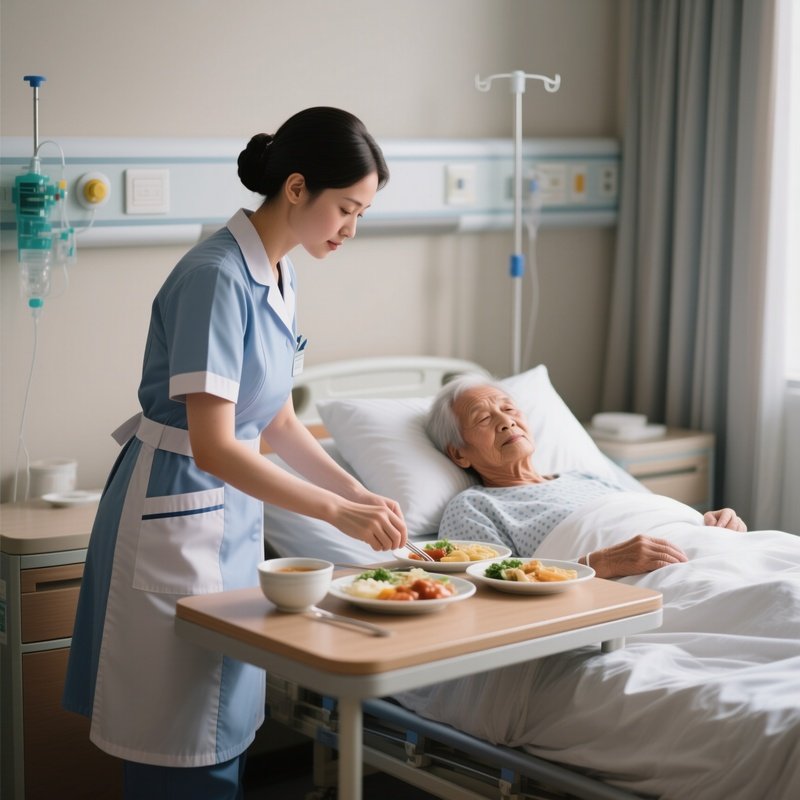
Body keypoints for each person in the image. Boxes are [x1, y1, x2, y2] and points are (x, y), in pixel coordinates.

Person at [62, 107, 407, 799]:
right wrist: (335, 512)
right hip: (177, 504)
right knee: (177, 740)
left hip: (225, 516)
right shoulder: (216, 276)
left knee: (221, 733)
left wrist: (357, 492)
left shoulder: (279, 271)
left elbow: (278, 422)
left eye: (362, 214)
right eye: (347, 209)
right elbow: (217, 446)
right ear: (297, 187)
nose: (351, 229)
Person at [425, 374, 746, 578]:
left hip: (716, 551)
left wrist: (718, 524)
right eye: (483, 418)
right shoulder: (474, 507)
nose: (506, 422)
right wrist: (598, 564)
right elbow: (486, 592)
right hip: (655, 580)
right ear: (459, 454)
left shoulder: (586, 477)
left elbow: (646, 516)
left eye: (508, 409)